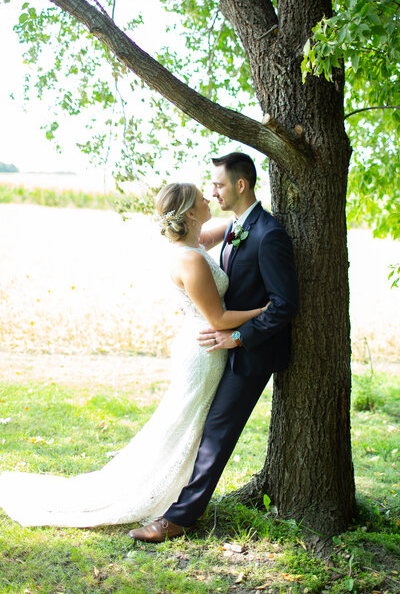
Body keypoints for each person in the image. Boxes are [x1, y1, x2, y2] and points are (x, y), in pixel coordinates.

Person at [0, 180, 267, 528]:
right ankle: (157, 492)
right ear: (189, 212)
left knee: (186, 423)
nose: (210, 199)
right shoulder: (190, 260)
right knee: (181, 424)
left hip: (202, 345)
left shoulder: (192, 243)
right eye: (203, 198)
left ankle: (178, 492)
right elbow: (217, 318)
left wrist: (246, 215)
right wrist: (262, 312)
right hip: (204, 349)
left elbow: (224, 230)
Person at [129, 152, 299, 543]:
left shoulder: (268, 234)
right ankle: (173, 499)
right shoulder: (237, 225)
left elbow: (284, 306)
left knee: (217, 433)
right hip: (218, 345)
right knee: (203, 428)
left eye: (218, 185)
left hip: (252, 351)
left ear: (240, 185)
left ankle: (180, 518)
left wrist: (238, 336)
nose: (213, 191)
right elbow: (194, 242)